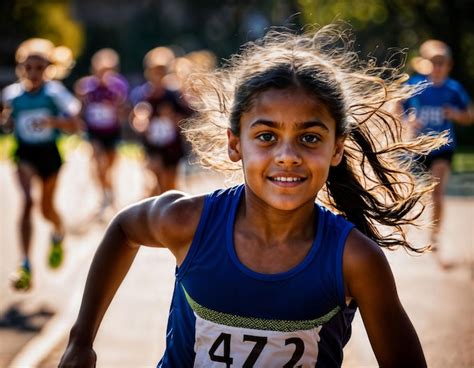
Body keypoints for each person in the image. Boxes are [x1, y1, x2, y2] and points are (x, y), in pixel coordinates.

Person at [59, 25, 442, 367]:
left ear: (337, 149)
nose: (287, 155)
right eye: (266, 136)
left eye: (310, 138)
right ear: (234, 143)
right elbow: (125, 228)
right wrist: (81, 340)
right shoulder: (190, 223)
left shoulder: (354, 259)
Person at [1, 38, 82, 291]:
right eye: (29, 67)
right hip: (25, 154)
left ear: (48, 68)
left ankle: (58, 233)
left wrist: (53, 122)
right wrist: (7, 121)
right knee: (27, 202)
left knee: (47, 209)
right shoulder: (12, 95)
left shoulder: (55, 93)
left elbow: (76, 125)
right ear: (21, 68)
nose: (33, 73)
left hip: (49, 155)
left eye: (39, 67)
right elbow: (7, 119)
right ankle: (25, 263)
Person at [404, 39, 473, 250]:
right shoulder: (416, 85)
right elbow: (396, 106)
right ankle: (414, 226)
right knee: (419, 193)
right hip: (420, 147)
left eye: (442, 62)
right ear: (426, 63)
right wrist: (408, 120)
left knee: (437, 192)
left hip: (444, 147)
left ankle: (434, 235)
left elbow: (470, 115)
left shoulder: (453, 89)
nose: (438, 66)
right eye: (434, 61)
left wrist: (456, 114)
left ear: (449, 65)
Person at [129, 46, 192, 196]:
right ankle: (156, 211)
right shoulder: (142, 94)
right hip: (152, 145)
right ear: (148, 72)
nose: (157, 75)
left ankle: (171, 211)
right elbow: (135, 117)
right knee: (156, 178)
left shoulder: (173, 95)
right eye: (154, 71)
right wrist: (140, 123)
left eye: (161, 71)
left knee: (170, 183)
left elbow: (187, 116)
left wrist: (172, 118)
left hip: (171, 145)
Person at [75, 48, 129, 214]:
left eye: (108, 70)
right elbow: (80, 109)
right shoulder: (86, 86)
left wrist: (117, 106)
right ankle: (104, 194)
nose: (104, 74)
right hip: (94, 131)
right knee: (99, 162)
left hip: (112, 131)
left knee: (110, 166)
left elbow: (125, 110)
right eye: (101, 70)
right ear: (94, 68)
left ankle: (108, 189)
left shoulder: (119, 86)